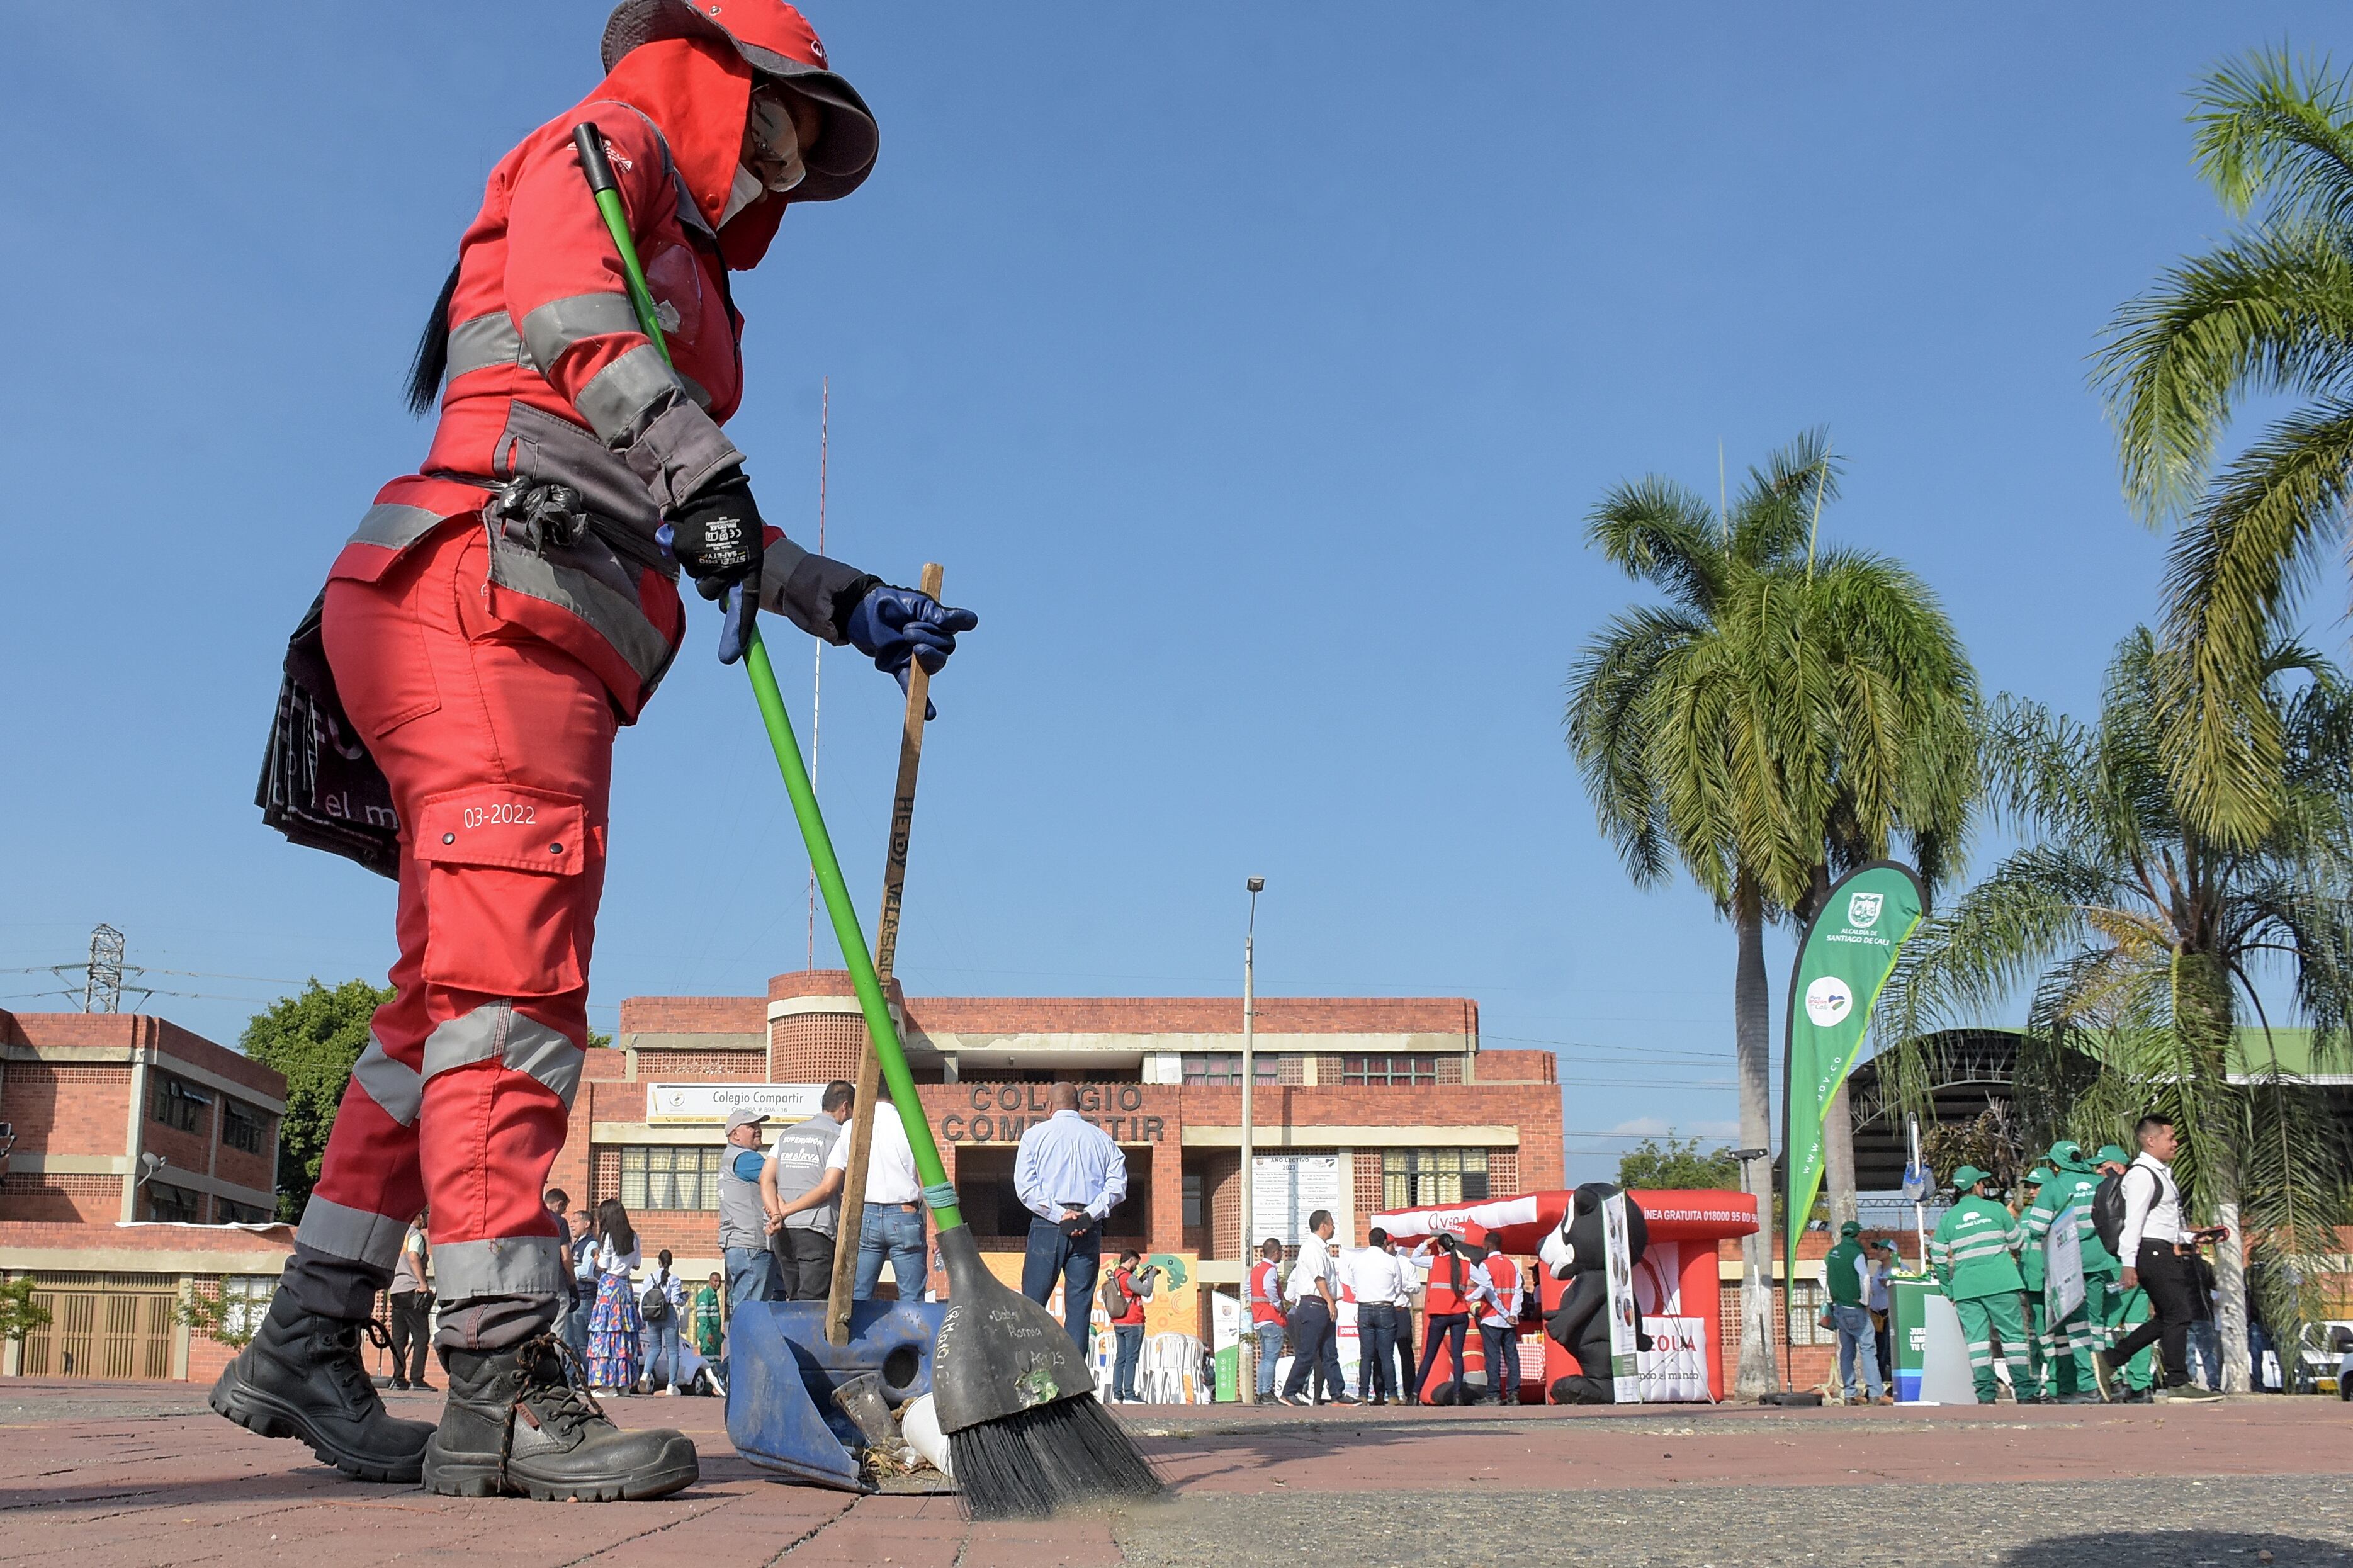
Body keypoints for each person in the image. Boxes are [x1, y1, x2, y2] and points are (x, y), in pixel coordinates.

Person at [210, 0, 967, 1505]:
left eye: (803, 146)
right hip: (483, 597)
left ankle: (303, 1335)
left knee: (442, 1010)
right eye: (776, 121)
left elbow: (686, 501)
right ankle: (504, 1375)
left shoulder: (672, 246)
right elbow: (579, 324)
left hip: (536, 617)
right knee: (511, 993)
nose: (781, 163)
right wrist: (708, 480)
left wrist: (834, 599)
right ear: (712, 74)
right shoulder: (599, 150)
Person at [2099, 1115, 2226, 1402]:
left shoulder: (2159, 1173)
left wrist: (2193, 1238)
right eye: (2170, 1138)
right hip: (2151, 1252)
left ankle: (2112, 1359)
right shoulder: (2143, 1174)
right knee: (2179, 1314)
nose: (2176, 1143)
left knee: (2170, 1316)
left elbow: (2162, 1223)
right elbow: (2134, 1223)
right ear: (2151, 1140)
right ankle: (2178, 1382)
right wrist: (2128, 1264)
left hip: (2162, 1248)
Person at [1012, 1083, 1128, 1345]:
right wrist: (1089, 1214)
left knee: (1032, 1305)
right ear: (1079, 1106)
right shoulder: (1101, 1138)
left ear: (1048, 1106)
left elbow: (1026, 1188)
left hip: (1047, 1226)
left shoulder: (1035, 1136)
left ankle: (1032, 1374)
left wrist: (1058, 1215)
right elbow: (1118, 1185)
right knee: (1079, 1309)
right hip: (1089, 1228)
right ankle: (1076, 1384)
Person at [1927, 1166, 2031, 1404]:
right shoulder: (1996, 1210)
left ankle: (1985, 1394)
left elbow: (1939, 1257)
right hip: (2002, 1284)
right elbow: (2017, 1243)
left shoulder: (1949, 1219)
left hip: (1966, 1290)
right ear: (1975, 1186)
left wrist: (1948, 1288)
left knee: (1977, 1343)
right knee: (2013, 1338)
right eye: (1982, 1183)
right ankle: (2025, 1392)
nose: (1984, 1187)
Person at [2023, 1139, 2114, 1404]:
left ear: (2056, 1164)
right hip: (2100, 1260)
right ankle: (2107, 1379)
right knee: (2097, 1325)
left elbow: (2037, 1228)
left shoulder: (2054, 1186)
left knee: (2078, 1326)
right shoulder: (2099, 1183)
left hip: (2070, 1264)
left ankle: (2088, 1385)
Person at [830, 1093, 929, 1301]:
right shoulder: (911, 1124)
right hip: (905, 1213)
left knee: (857, 1295)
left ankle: (856, 1333)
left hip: (865, 1213)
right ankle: (911, 1334)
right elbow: (927, 1178)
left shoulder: (851, 1126)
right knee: (912, 1296)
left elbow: (836, 1174)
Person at [762, 1081, 852, 1299]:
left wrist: (776, 1214)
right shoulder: (840, 1136)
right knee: (812, 1305)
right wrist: (784, 1212)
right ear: (845, 1108)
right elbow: (828, 1187)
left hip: (783, 1233)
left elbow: (765, 1178)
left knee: (793, 1299)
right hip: (817, 1231)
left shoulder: (788, 1134)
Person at [1280, 1211, 1349, 1406]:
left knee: (1329, 1352)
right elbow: (1319, 1278)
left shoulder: (1322, 1249)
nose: (1334, 1228)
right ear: (1323, 1225)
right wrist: (1329, 1301)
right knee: (1308, 1352)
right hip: (1314, 1305)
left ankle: (1337, 1393)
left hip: (1321, 1305)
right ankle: (1290, 1391)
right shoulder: (1312, 1248)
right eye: (1332, 1224)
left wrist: (1331, 1300)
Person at [1410, 1230, 1478, 1404]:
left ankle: (1416, 1394)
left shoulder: (1435, 1261)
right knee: (1458, 1356)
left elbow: (1414, 1258)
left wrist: (1427, 1242)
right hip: (1459, 1314)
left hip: (1439, 1314)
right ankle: (1457, 1395)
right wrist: (1469, 1297)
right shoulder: (1465, 1265)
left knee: (1429, 1356)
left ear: (1440, 1247)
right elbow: (1485, 1282)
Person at [585, 1199, 644, 1398]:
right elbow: (637, 1265)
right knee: (623, 1334)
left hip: (609, 1286)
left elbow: (603, 1264)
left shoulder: (608, 1237)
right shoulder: (633, 1236)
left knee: (606, 1334)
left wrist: (596, 1257)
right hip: (625, 1288)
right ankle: (623, 1384)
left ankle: (606, 1385)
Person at [1822, 1220, 1885, 1406]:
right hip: (1855, 1308)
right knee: (1867, 1349)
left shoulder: (1832, 1253)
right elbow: (1864, 1277)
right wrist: (1865, 1301)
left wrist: (1831, 1295)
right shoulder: (1857, 1253)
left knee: (1847, 1352)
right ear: (1857, 1235)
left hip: (1838, 1308)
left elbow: (1821, 1274)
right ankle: (1875, 1392)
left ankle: (1849, 1394)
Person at [1351, 1229, 1409, 1406]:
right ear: (1385, 1242)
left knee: (1366, 1355)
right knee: (1386, 1355)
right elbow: (1398, 1286)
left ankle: (1362, 1395)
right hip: (1385, 1307)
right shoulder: (1391, 1261)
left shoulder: (1357, 1261)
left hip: (1365, 1307)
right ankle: (1392, 1395)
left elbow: (1353, 1285)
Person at [2014, 1168, 2055, 1402]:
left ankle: (2056, 1383)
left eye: (2037, 1186)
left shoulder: (2056, 1210)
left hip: (2049, 1283)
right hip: (2030, 1283)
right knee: (2036, 1335)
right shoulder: (2027, 1213)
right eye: (2030, 1186)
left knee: (2049, 1334)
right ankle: (2039, 1382)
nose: (2032, 1191)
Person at [387, 1210, 434, 1392]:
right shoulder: (415, 1235)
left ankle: (398, 1379)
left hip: (396, 1290)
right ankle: (417, 1379)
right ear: (420, 1217)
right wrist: (423, 1284)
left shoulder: (398, 1237)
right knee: (422, 1336)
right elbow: (414, 1256)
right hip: (411, 1290)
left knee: (399, 1339)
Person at [1102, 1250, 1156, 1403]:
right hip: (1133, 1322)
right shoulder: (1127, 1277)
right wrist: (1151, 1276)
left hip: (1119, 1322)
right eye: (1136, 1264)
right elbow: (1146, 1291)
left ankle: (1117, 1395)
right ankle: (1130, 1395)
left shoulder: (1116, 1276)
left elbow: (1132, 1289)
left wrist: (1142, 1278)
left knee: (1121, 1358)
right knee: (1131, 1358)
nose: (1136, 1267)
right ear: (1131, 1261)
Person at [638, 1248, 687, 1395]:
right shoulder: (674, 1279)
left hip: (652, 1315)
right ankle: (671, 1385)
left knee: (655, 1349)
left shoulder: (648, 1277)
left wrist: (643, 1318)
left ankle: (645, 1374)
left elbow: (643, 1298)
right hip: (668, 1314)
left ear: (658, 1262)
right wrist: (685, 1298)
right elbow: (677, 1300)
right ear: (671, 1263)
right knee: (672, 1351)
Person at [1246, 1237, 1289, 1403]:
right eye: (1281, 1252)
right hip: (1271, 1318)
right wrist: (1277, 1304)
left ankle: (1261, 1393)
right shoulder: (1270, 1270)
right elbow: (1270, 1288)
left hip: (1259, 1319)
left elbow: (1247, 1289)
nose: (1282, 1255)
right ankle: (1267, 1393)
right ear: (1276, 1253)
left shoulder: (1256, 1269)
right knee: (1271, 1358)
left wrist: (1255, 1303)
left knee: (1264, 1358)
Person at [564, 1207, 601, 1384]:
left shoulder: (591, 1244)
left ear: (587, 1224)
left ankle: (591, 1380)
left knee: (582, 1343)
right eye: (571, 1222)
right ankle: (572, 1381)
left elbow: (588, 1270)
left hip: (585, 1298)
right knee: (570, 1344)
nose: (572, 1225)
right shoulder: (576, 1244)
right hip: (574, 1297)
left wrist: (569, 1272)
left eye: (575, 1221)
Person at [2182, 1238, 2222, 1391]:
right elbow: (2215, 1285)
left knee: (2188, 1352)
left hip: (2184, 1314)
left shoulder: (2176, 1266)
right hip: (2203, 1313)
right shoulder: (2204, 1265)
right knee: (2208, 1352)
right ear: (2196, 1249)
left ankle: (2192, 1381)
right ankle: (2214, 1384)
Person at [692, 1271, 724, 1365]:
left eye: (719, 1282)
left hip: (715, 1334)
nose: (717, 1284)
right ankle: (707, 1379)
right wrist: (708, 1332)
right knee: (708, 1362)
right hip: (708, 1333)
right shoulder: (706, 1294)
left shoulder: (714, 1295)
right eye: (715, 1281)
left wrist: (719, 1333)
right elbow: (702, 1315)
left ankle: (716, 1379)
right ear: (710, 1281)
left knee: (717, 1362)